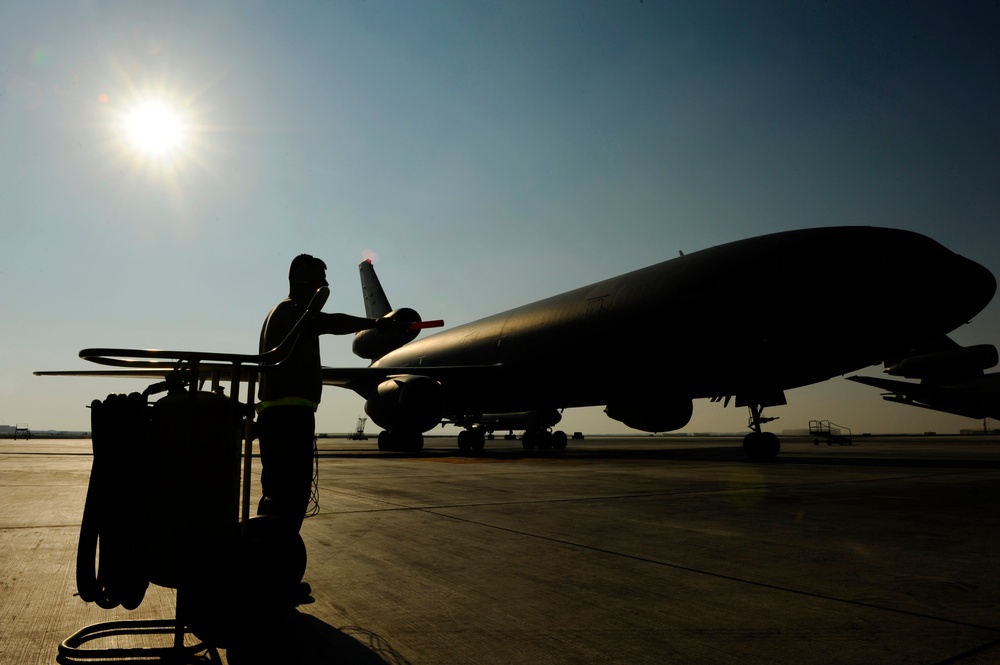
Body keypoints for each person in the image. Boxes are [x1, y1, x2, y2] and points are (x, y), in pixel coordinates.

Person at [256, 253, 395, 533]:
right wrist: (376, 324)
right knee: (289, 494)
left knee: (280, 493)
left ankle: (271, 559)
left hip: (284, 416)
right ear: (303, 280)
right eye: (321, 280)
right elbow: (331, 322)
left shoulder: (285, 312)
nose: (326, 285)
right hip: (288, 419)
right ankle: (273, 562)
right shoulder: (292, 312)